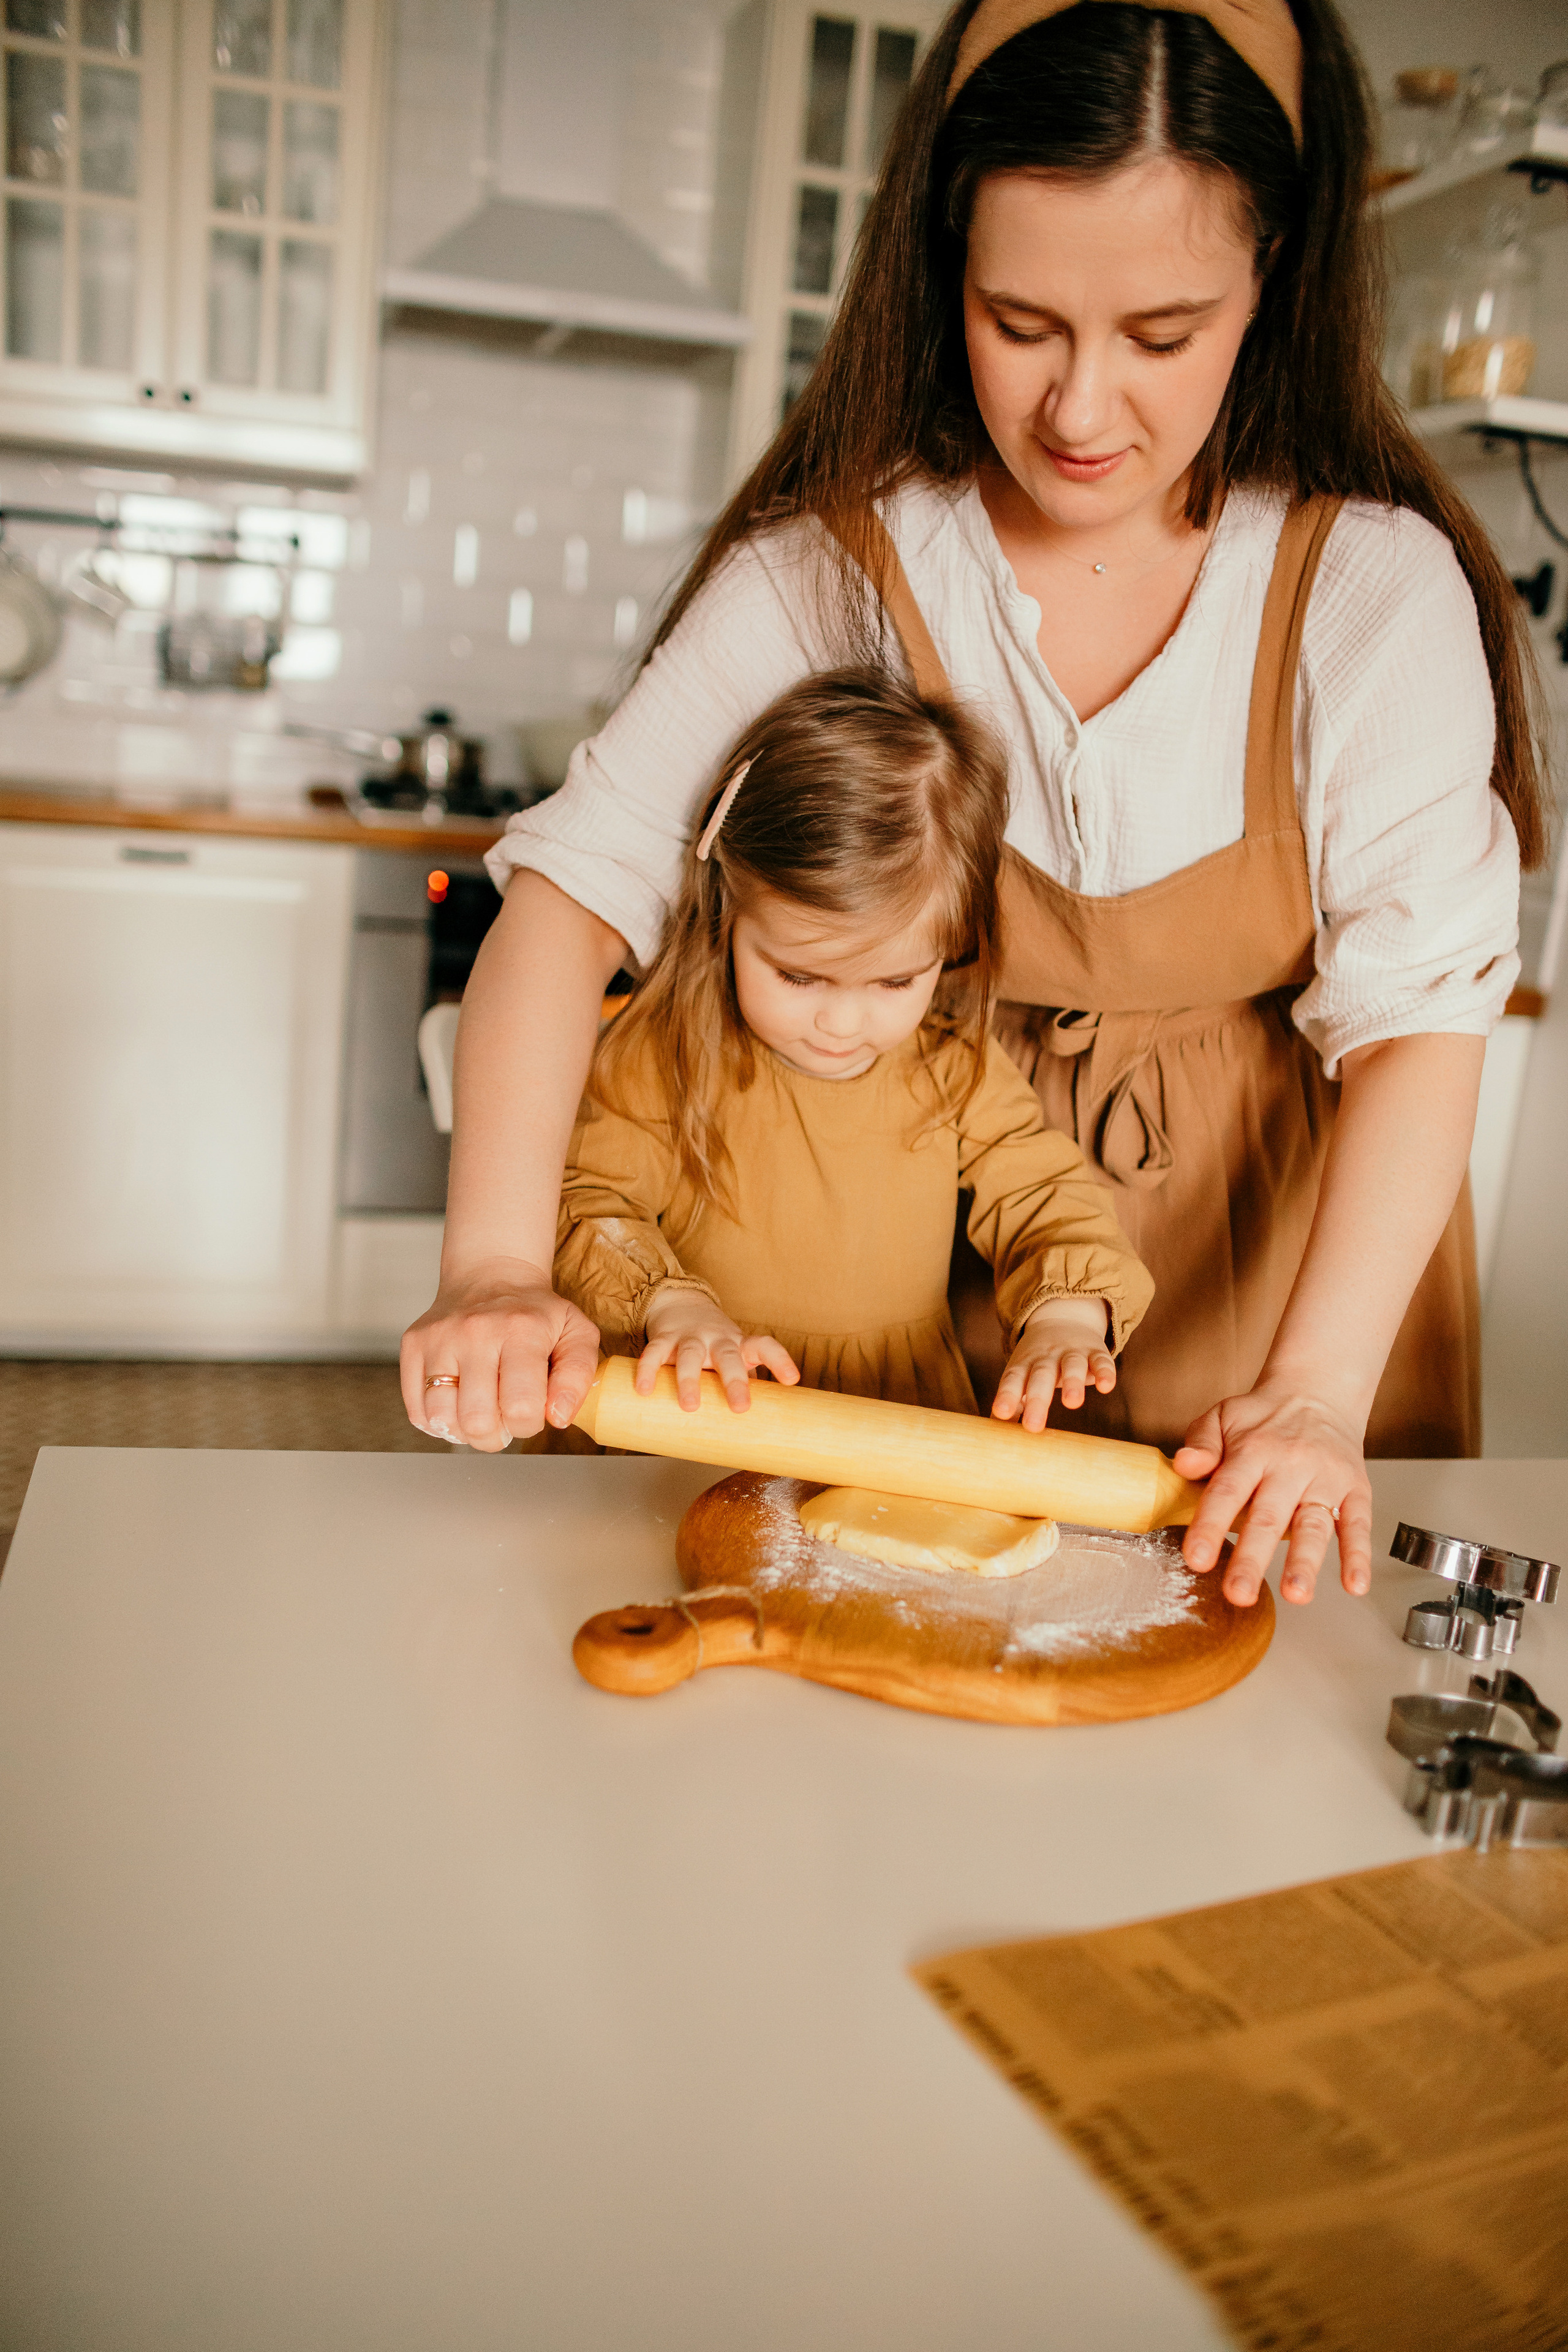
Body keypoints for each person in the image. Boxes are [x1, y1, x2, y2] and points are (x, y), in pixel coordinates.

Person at [402, 0, 1547, 1623]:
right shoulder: (827, 575)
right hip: (921, 1298)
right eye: (1023, 322)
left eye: (1162, 336)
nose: (1082, 412)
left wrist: (1313, 1395)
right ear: (946, 274)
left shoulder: (1370, 594)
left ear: (1271, 286)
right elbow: (566, 903)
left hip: (1294, 1293)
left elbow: (1427, 1026)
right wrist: (501, 1271)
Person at [530, 668, 1153, 1431]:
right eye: (799, 975)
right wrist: (673, 1304)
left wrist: (1068, 1315)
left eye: (894, 982)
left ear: (951, 948)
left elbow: (1045, 1198)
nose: (841, 1024)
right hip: (695, 1411)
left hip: (891, 1416)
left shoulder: (954, 1067)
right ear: (729, 904)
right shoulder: (662, 1054)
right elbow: (587, 1202)